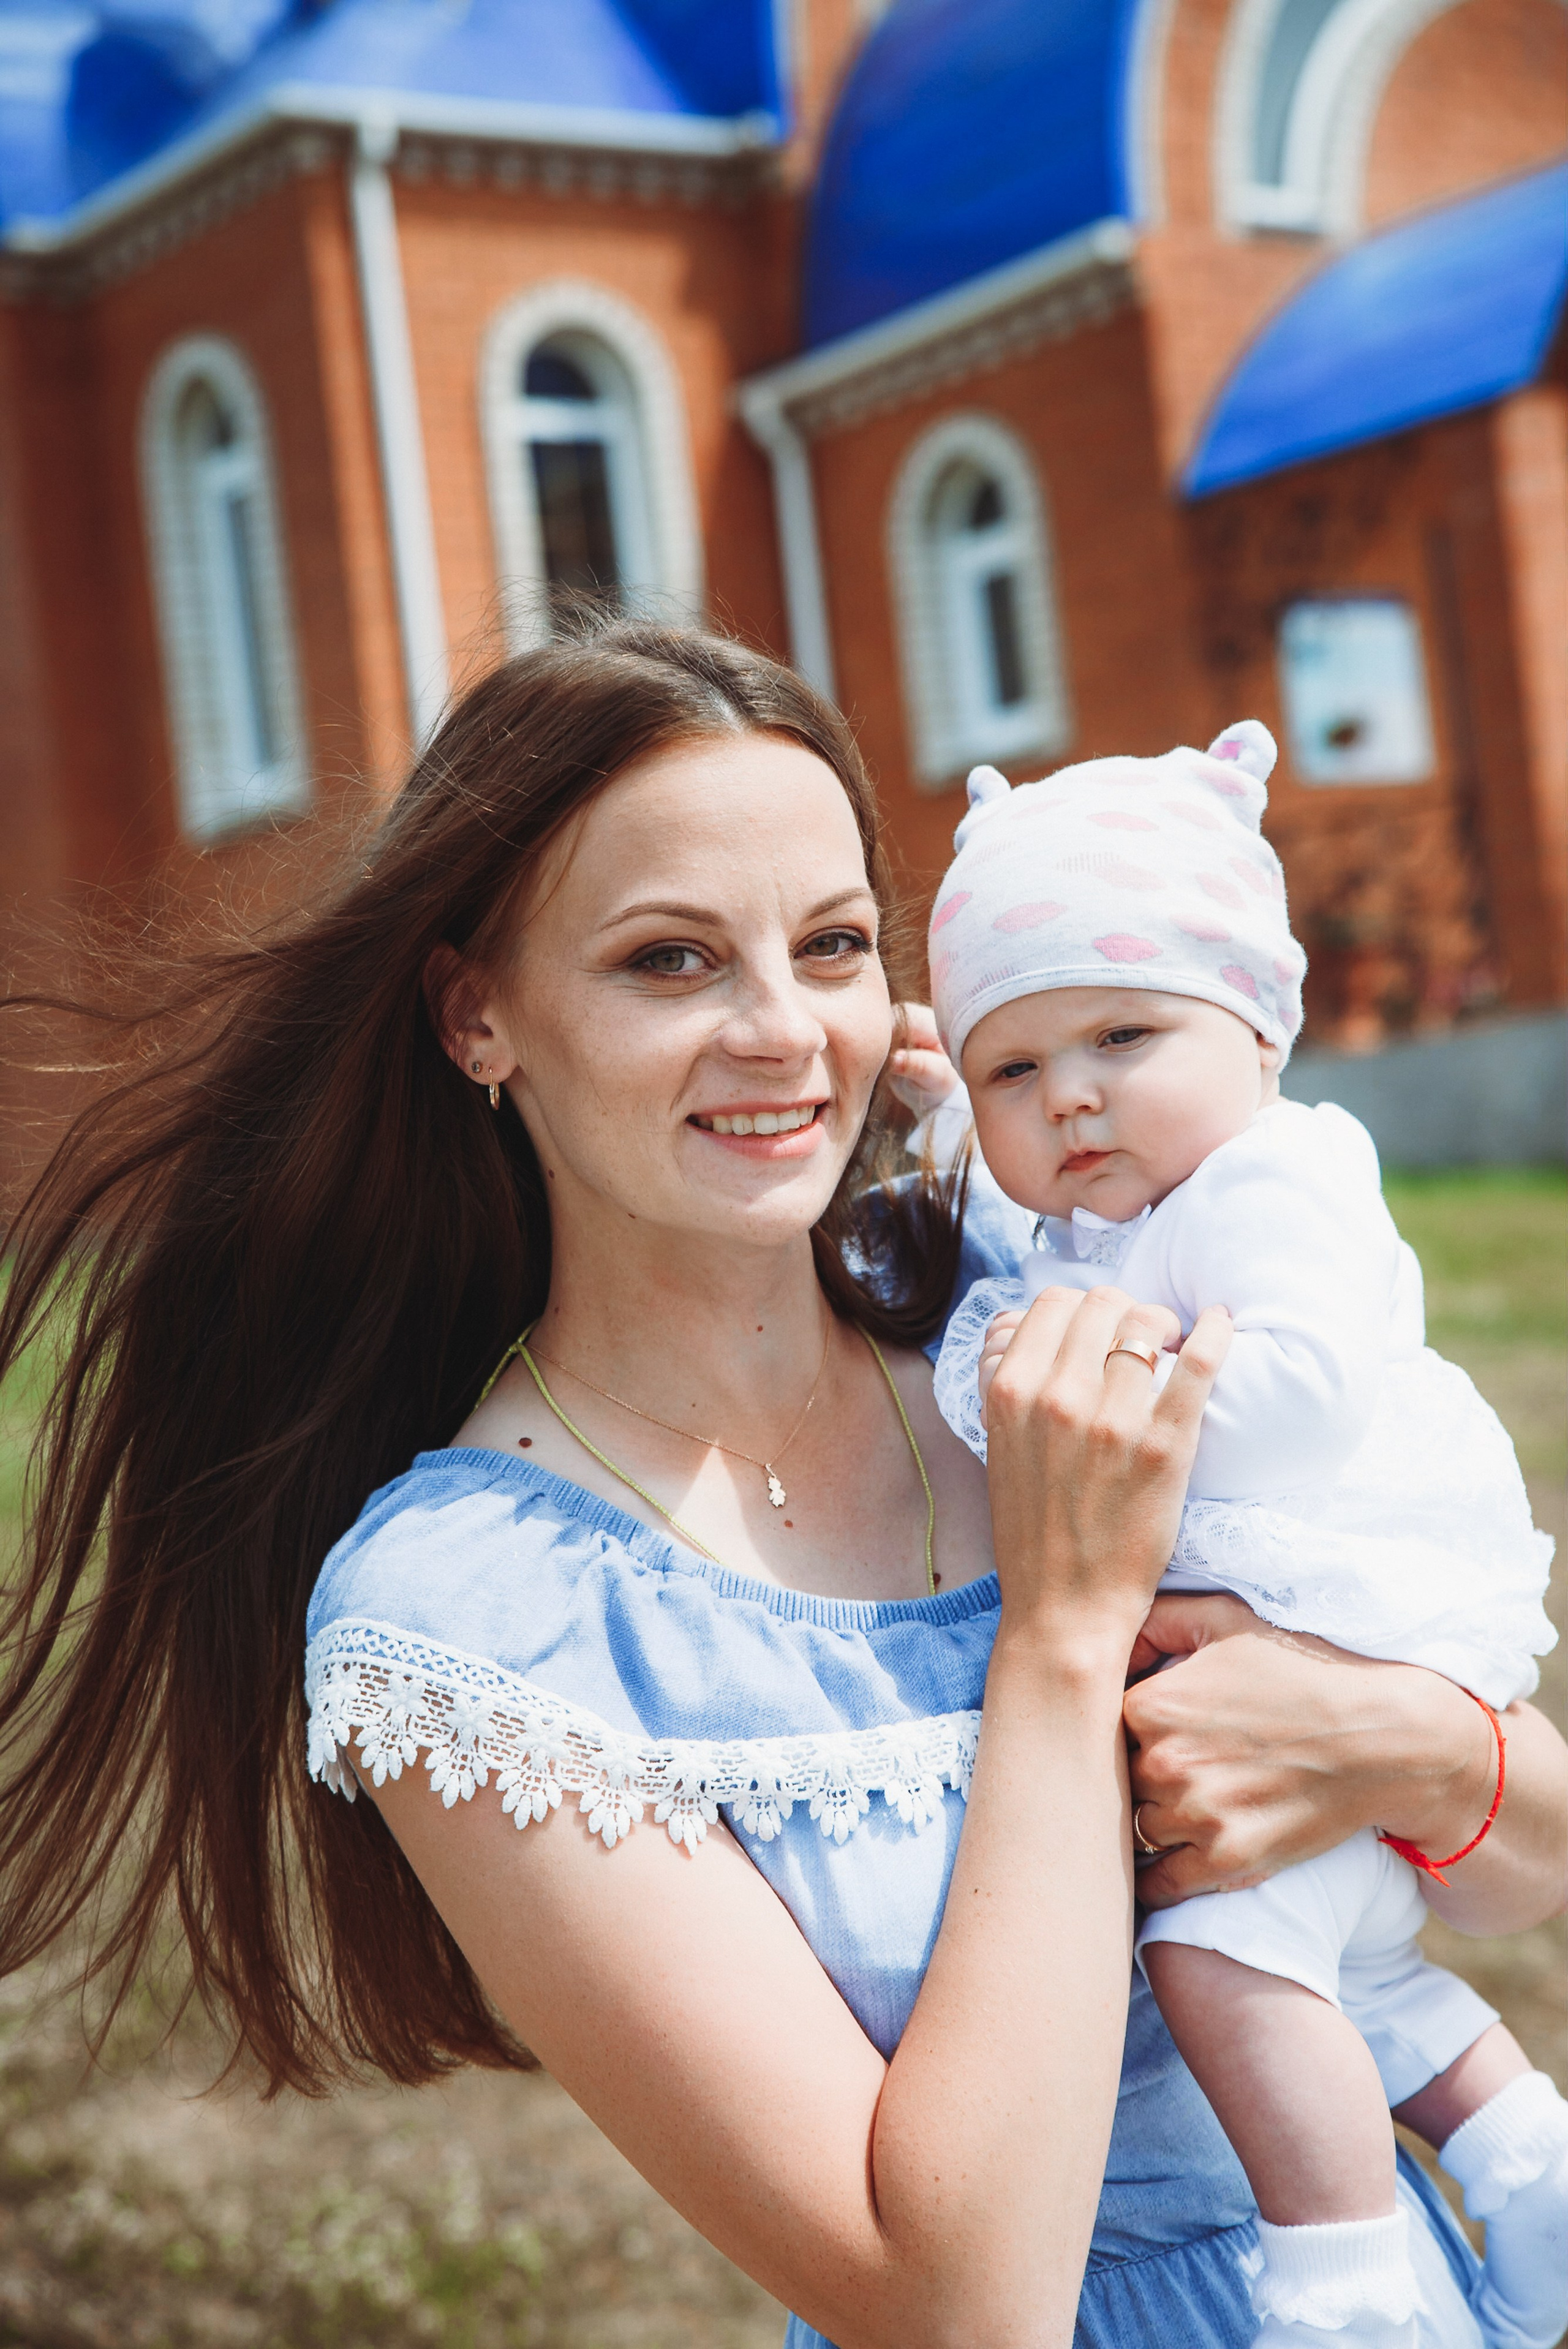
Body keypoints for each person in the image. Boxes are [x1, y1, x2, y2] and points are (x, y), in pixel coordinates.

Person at [1, 622, 1563, 2349]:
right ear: (477, 1015)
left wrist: (1403, 1743)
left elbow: (1522, 1861)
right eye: (671, 960)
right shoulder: (474, 1616)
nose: (784, 1033)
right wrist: (1058, 1636)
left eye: (829, 946)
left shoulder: (1022, 1310)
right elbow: (959, 2302)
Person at [907, 722, 1566, 2349]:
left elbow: (1308, 1393)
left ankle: (1344, 2288)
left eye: (1123, 1034)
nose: (1068, 1096)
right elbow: (1010, 1229)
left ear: (1258, 1030)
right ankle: (1535, 2174)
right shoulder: (1110, 1214)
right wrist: (941, 1121)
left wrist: (1106, 1409)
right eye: (1014, 1067)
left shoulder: (1277, 1176)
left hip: (1343, 1604)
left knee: (1216, 1962)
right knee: (1373, 1981)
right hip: (1287, 1662)